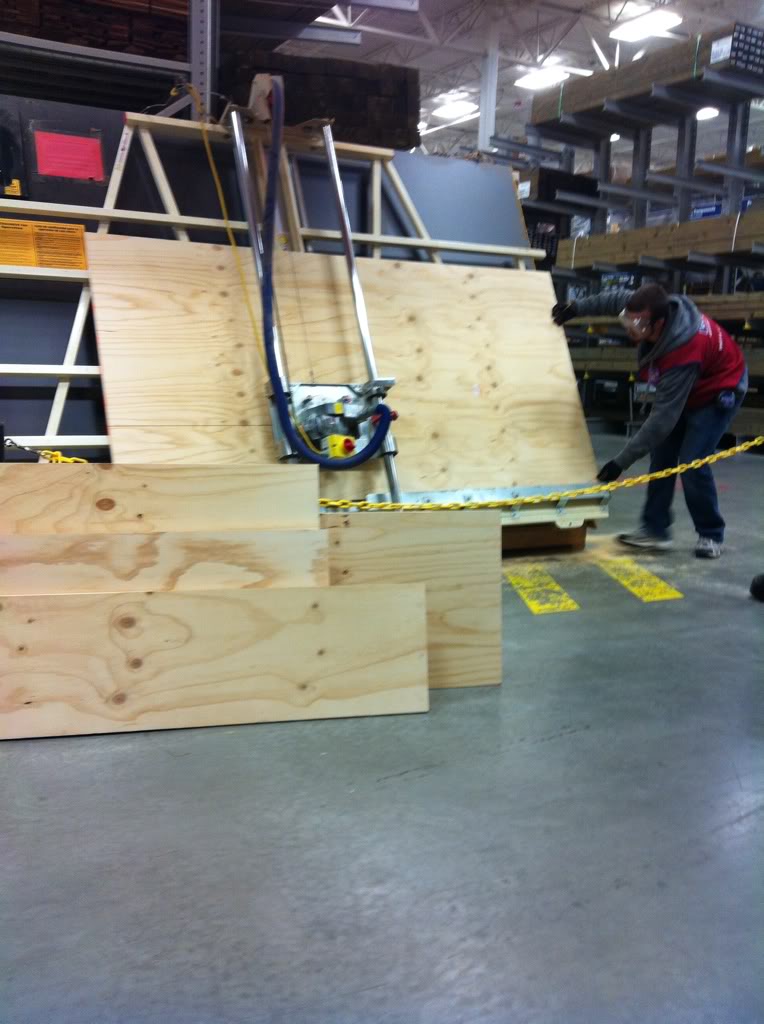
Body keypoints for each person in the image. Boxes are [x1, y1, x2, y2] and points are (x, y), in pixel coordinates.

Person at [553, 283, 748, 559]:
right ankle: (655, 530)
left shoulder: (683, 350)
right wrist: (575, 308)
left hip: (718, 391)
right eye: (628, 320)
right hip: (690, 386)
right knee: (662, 456)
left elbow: (662, 420)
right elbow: (612, 299)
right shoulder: (645, 307)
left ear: (659, 323)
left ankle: (711, 534)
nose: (631, 329)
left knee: (692, 461)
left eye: (639, 325)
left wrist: (620, 462)